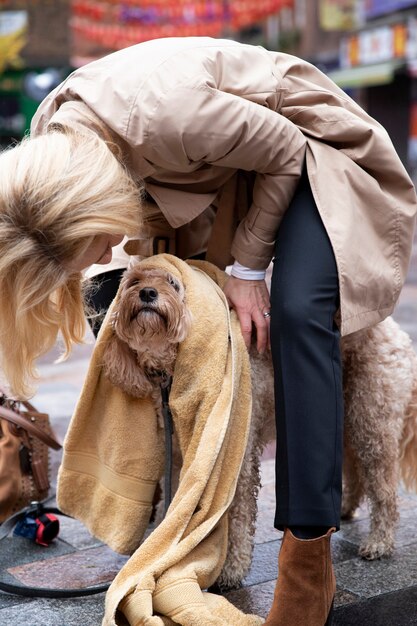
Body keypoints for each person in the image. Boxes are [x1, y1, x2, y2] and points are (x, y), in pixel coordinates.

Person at [0, 37, 415, 626]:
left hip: (313, 153)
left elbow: (286, 149)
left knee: (297, 313)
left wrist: (247, 272)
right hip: (217, 172)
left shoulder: (166, 113)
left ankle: (308, 555)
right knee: (164, 332)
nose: (107, 249)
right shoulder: (56, 144)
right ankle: (172, 510)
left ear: (86, 207)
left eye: (92, 243)